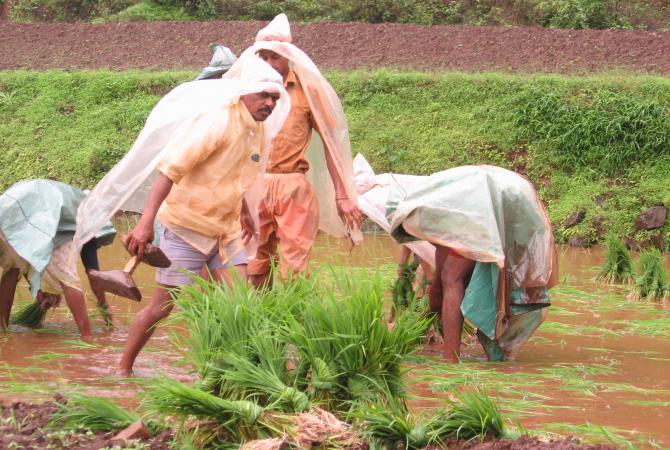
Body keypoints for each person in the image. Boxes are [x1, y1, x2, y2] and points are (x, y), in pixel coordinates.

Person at [72, 57, 290, 376]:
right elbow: (168, 172)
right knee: (162, 307)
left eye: (275, 98)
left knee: (239, 305)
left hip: (225, 230)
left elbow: (235, 175)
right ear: (245, 92)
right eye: (263, 96)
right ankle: (123, 370)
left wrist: (243, 212)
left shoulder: (256, 130)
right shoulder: (216, 122)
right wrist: (146, 224)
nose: (269, 103)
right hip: (186, 226)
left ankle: (222, 373)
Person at [353, 154, 558, 363]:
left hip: (495, 199)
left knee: (452, 278)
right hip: (490, 197)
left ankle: (451, 360)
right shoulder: (426, 200)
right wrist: (432, 292)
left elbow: (437, 261)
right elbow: (438, 256)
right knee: (441, 288)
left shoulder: (415, 208)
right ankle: (432, 342)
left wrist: (436, 284)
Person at [224, 14, 364, 287]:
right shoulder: (247, 91)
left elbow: (330, 143)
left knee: (294, 266)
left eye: (273, 57)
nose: (267, 64)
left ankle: (289, 323)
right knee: (255, 261)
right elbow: (233, 141)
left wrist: (341, 195)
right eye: (261, 58)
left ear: (287, 57)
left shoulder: (308, 90)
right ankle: (259, 322)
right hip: (254, 184)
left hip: (293, 187)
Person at [0, 179, 118, 339]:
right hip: (36, 206)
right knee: (66, 275)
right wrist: (107, 315)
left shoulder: (75, 201)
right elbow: (94, 276)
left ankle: (4, 329)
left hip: (16, 205)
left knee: (12, 267)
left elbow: (30, 256)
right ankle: (87, 338)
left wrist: (39, 292)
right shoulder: (91, 224)